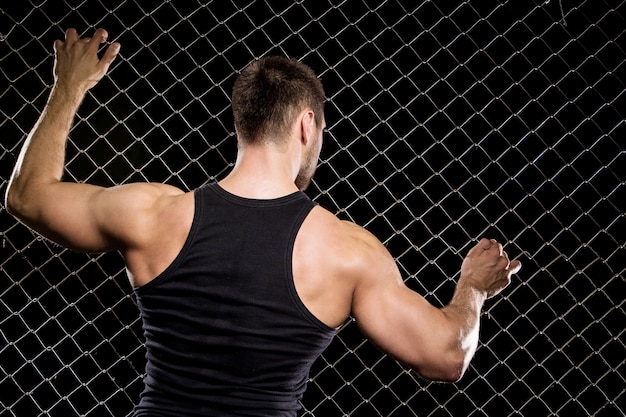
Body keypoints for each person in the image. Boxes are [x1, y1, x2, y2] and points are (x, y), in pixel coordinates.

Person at [6, 28, 522, 416]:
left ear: (244, 121)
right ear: (306, 125)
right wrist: (472, 288)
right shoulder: (344, 251)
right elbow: (446, 356)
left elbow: (27, 197)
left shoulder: (154, 214)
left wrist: (68, 87)